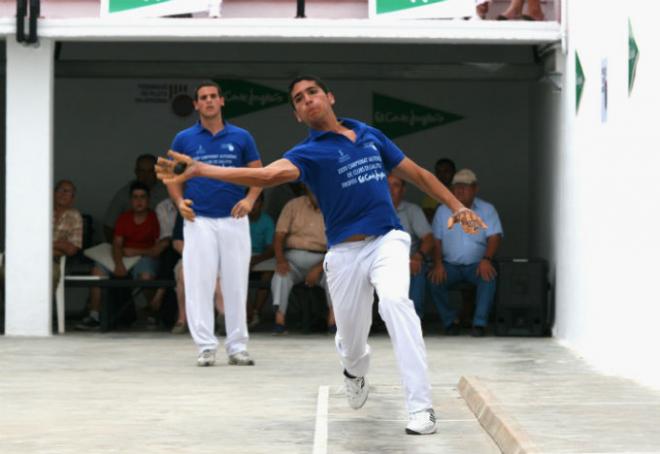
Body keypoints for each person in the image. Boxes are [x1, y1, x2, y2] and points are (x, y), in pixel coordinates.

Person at [156, 75, 486, 435]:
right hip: (344, 254)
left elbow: (419, 175)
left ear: (329, 97)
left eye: (312, 92)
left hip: (387, 240)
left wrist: (455, 205)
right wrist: (203, 169)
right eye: (299, 99)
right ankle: (354, 372)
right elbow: (265, 176)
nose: (307, 100)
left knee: (395, 304)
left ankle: (421, 407)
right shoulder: (307, 154)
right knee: (352, 342)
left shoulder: (370, 135)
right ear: (297, 114)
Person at [165, 80, 263, 367]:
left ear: (222, 101)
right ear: (196, 104)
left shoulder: (242, 137)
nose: (208, 101)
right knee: (198, 283)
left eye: (213, 97)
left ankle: (237, 347)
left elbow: (258, 174)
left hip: (234, 219)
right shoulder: (183, 138)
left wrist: (250, 200)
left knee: (236, 284)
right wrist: (179, 202)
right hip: (199, 221)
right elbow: (171, 176)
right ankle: (206, 347)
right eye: (202, 98)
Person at [77, 181, 161, 330]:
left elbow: (157, 249)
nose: (139, 201)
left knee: (146, 277)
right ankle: (94, 315)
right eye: (135, 197)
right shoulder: (124, 218)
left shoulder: (155, 218)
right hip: (123, 257)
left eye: (142, 197)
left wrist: (136, 252)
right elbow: (116, 244)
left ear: (148, 200)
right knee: (97, 271)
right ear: (130, 200)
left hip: (144, 257)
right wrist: (119, 264)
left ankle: (152, 313)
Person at [429, 169, 503, 337]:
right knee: (433, 280)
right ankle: (450, 322)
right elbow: (436, 240)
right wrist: (438, 264)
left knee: (489, 276)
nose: (460, 190)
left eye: (465, 186)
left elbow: (495, 237)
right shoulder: (442, 210)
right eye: (457, 186)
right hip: (450, 266)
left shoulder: (487, 209)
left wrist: (487, 259)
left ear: (475, 189)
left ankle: (479, 323)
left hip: (477, 265)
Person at [271, 186, 334, 335]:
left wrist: (318, 268)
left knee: (335, 276)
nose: (317, 195)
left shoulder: (334, 206)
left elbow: (339, 244)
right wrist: (280, 260)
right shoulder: (293, 205)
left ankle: (334, 322)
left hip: (323, 259)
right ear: (307, 191)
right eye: (313, 191)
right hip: (293, 259)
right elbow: (279, 236)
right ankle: (279, 321)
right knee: (281, 275)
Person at [387, 175, 434, 320]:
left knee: (417, 268)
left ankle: (413, 320)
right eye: (387, 184)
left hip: (408, 261)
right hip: (379, 262)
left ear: (403, 190)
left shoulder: (412, 210)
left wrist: (418, 256)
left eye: (396, 185)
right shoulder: (373, 210)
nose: (390, 189)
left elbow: (428, 238)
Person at [103, 154, 169, 242]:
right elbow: (108, 225)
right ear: (136, 172)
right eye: (142, 171)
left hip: (161, 243)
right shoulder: (124, 193)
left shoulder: (168, 192)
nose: (146, 176)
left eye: (150, 171)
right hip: (130, 246)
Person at [247, 192, 275, 329]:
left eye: (256, 202)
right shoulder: (238, 218)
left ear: (261, 204)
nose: (253, 205)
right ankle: (248, 312)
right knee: (235, 275)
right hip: (241, 255)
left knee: (270, 272)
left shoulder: (267, 221)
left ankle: (256, 311)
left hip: (261, 256)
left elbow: (271, 249)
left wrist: (255, 260)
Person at [53, 180, 83, 290]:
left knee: (49, 276)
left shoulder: (75, 216)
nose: (63, 193)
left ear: (73, 199)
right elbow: (30, 241)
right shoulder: (40, 211)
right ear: (53, 193)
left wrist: (43, 244)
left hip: (55, 262)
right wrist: (59, 244)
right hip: (30, 256)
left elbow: (71, 249)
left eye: (68, 191)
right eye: (60, 190)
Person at [421, 158, 456, 223]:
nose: (442, 175)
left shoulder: (461, 192)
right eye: (439, 172)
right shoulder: (431, 193)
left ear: (454, 172)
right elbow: (427, 218)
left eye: (446, 171)